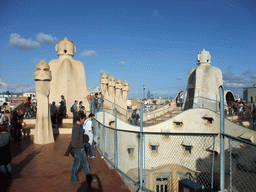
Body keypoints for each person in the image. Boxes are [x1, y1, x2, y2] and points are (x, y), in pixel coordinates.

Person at [70, 113, 93, 185]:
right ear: (80, 119)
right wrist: (81, 147)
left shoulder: (77, 126)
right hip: (79, 149)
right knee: (85, 163)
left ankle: (73, 179)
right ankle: (89, 179)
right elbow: (75, 139)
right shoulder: (77, 127)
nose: (84, 120)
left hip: (78, 148)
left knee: (76, 164)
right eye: (83, 119)